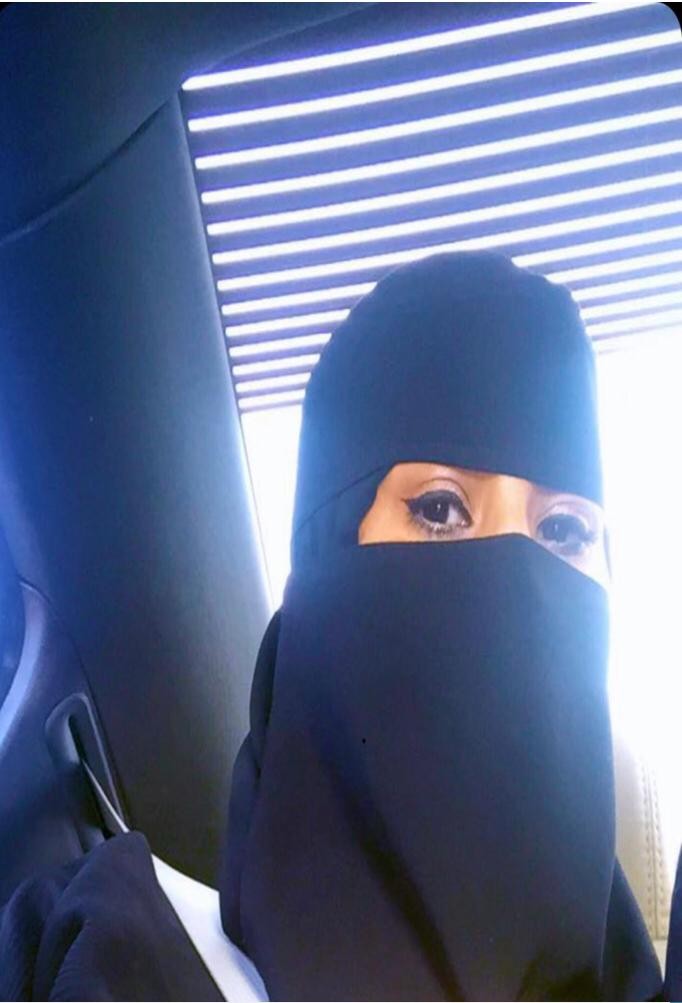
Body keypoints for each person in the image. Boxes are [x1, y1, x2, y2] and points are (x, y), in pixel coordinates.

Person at [0, 250, 672, 1000]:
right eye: (441, 508)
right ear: (329, 555)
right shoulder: (102, 951)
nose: (518, 576)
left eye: (565, 530)